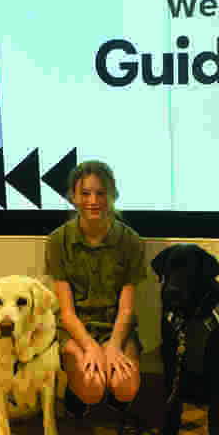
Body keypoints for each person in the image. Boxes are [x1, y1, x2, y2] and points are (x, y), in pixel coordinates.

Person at [45, 160, 146, 419]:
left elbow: (126, 309)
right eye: (85, 193)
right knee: (91, 389)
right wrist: (89, 346)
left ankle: (112, 389)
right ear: (74, 198)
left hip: (116, 329)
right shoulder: (57, 241)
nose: (93, 200)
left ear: (113, 196)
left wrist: (113, 346)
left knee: (126, 389)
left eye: (101, 193)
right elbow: (66, 313)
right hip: (76, 330)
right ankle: (77, 389)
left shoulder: (131, 241)